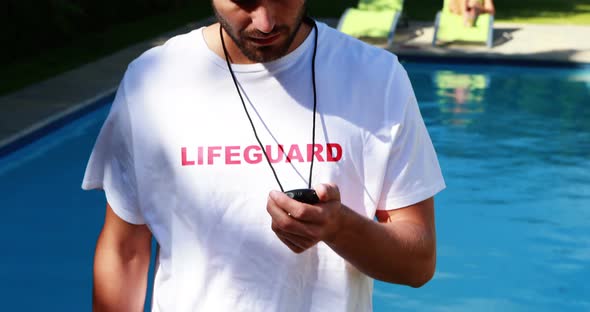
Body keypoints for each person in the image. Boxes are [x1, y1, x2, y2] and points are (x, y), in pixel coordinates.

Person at [82, 0, 446, 311]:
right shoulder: (154, 80)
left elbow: (418, 264)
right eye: (244, 1)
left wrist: (340, 228)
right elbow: (126, 250)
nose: (265, 22)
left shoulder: (375, 78)